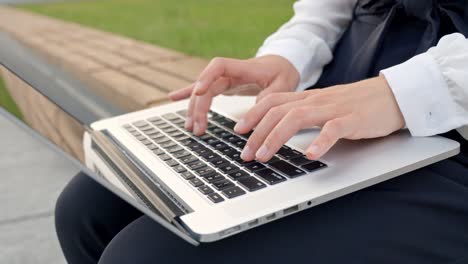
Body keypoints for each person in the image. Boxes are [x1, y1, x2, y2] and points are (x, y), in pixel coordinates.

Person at [55, 0, 468, 263]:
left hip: (456, 132)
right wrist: (287, 56)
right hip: (344, 90)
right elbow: (327, 9)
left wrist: (404, 93)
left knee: (143, 257)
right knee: (87, 210)